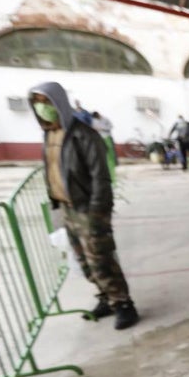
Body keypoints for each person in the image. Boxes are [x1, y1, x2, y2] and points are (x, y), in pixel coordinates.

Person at [29, 82, 139, 330]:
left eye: (46, 102)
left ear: (58, 103)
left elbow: (101, 177)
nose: (41, 107)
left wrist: (97, 212)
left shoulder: (83, 135)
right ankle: (106, 297)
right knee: (84, 260)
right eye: (37, 102)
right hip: (68, 208)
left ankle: (123, 303)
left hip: (89, 209)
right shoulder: (49, 135)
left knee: (101, 258)